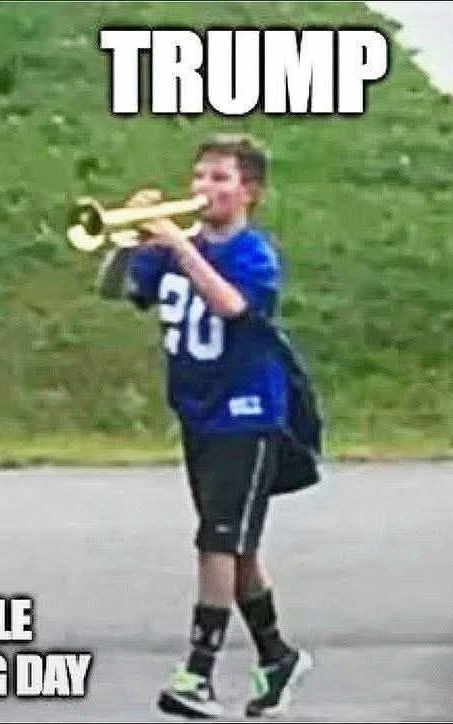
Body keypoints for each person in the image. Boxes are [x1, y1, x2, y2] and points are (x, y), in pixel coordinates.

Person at [96, 134, 314, 718]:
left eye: (220, 178)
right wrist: (126, 239)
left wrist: (178, 245)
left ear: (249, 192)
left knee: (217, 542)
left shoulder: (253, 254)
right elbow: (114, 289)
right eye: (199, 176)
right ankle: (276, 656)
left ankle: (197, 673)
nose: (203, 188)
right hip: (198, 414)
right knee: (235, 547)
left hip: (247, 413)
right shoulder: (174, 248)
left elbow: (233, 307)